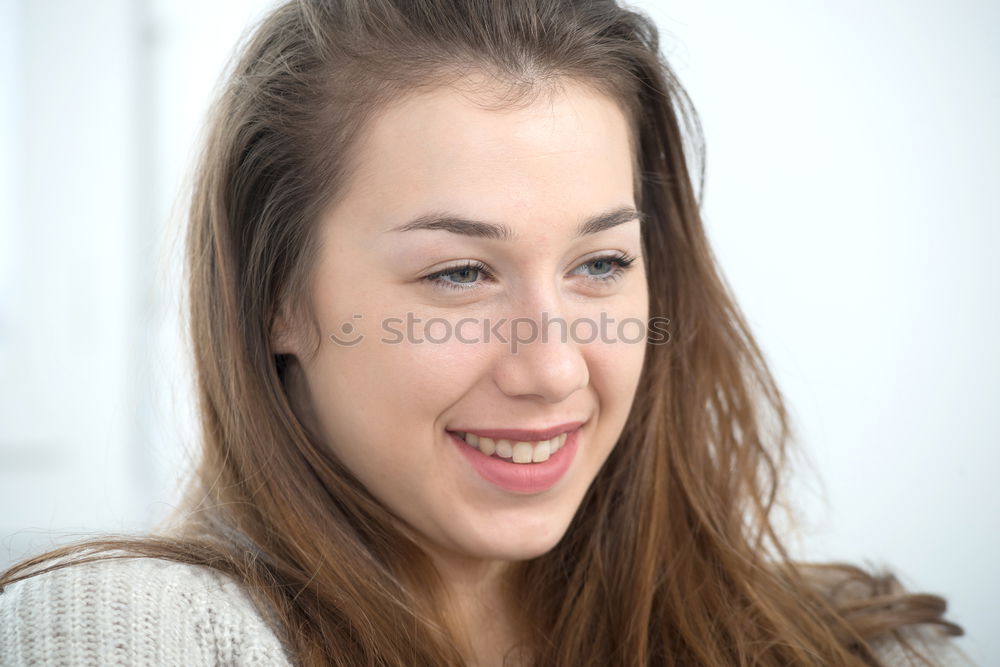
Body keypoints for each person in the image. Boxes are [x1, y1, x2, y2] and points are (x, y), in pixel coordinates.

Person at [0, 0, 971, 665]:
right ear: (275, 299)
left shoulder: (853, 644)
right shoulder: (125, 631)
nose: (553, 369)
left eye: (599, 265)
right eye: (459, 274)